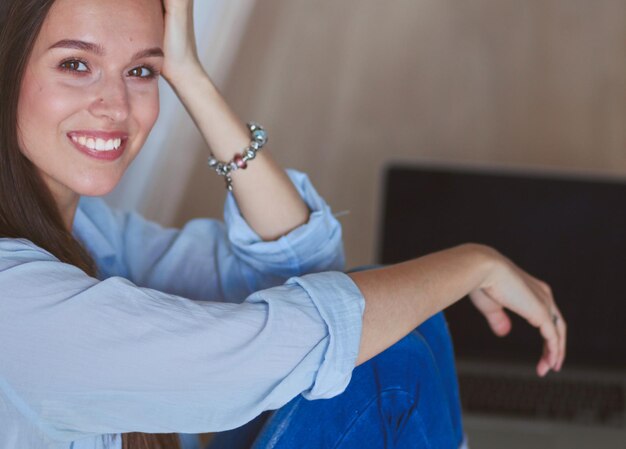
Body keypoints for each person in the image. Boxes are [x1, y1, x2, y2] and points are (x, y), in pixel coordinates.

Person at [0, 0, 567, 448]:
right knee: (390, 368)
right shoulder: (15, 303)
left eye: (142, 70)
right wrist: (471, 264)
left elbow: (300, 264)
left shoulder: (94, 234)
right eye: (76, 64)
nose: (116, 105)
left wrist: (192, 76)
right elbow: (293, 343)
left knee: (399, 324)